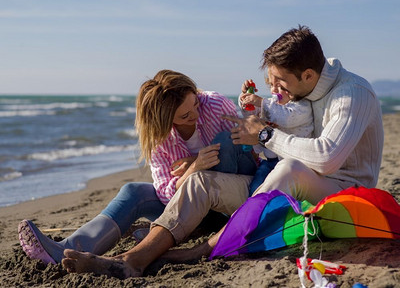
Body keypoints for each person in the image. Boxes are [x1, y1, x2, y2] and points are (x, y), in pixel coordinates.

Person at [60, 25, 384, 279]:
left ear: (309, 76)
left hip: (342, 190)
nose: (276, 90)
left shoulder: (351, 94)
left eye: (281, 83)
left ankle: (200, 250)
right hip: (274, 185)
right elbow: (284, 127)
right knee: (199, 183)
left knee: (290, 169)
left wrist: (265, 134)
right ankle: (134, 258)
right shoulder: (306, 91)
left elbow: (327, 158)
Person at [18, 69, 257, 265]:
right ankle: (68, 248)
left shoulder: (214, 104)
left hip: (231, 198)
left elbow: (246, 150)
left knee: (226, 142)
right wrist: (194, 167)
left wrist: (195, 167)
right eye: (185, 115)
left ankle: (185, 232)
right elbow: (165, 193)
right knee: (134, 192)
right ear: (166, 120)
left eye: (194, 102)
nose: (195, 113)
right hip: (192, 206)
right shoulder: (160, 138)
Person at [239, 78, 313, 195]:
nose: (274, 90)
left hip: (293, 166)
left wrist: (262, 103)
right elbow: (252, 117)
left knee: (283, 192)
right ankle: (256, 208)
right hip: (270, 162)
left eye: (280, 87)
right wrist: (246, 100)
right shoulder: (272, 105)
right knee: (256, 188)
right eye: (271, 85)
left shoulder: (302, 106)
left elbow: (287, 117)